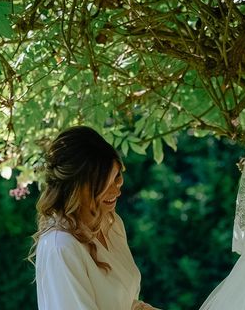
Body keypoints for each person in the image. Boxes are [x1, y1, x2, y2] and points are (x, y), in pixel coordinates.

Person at [30, 125, 160, 310]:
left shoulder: (111, 223)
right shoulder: (61, 247)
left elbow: (127, 305)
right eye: (103, 185)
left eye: (116, 177)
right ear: (77, 188)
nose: (116, 190)